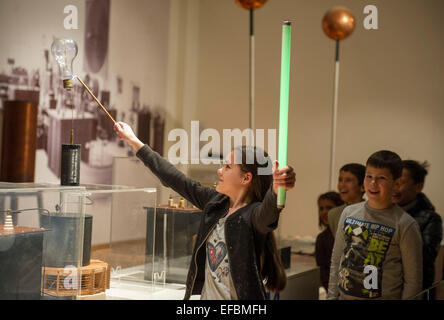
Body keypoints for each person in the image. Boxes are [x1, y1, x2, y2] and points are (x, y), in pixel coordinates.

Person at [113, 121, 296, 300]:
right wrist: (133, 140)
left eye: (227, 167)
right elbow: (173, 177)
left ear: (246, 178)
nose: (219, 171)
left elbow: (269, 212)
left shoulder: (253, 215)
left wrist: (277, 189)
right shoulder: (215, 203)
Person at [328, 150, 423, 300]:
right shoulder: (348, 213)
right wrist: (331, 297)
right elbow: (336, 259)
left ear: (396, 183)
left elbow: (413, 281)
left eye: (382, 178)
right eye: (369, 176)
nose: (373, 183)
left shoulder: (405, 224)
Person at [392, 160, 443, 293]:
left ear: (418, 187)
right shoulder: (381, 213)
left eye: (401, 183)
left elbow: (423, 258)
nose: (394, 187)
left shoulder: (431, 219)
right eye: (393, 181)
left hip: (414, 291)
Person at [315, 191, 344, 291]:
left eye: (329, 208)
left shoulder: (347, 233)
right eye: (321, 208)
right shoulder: (322, 239)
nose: (324, 212)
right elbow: (323, 272)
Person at [328, 163, 366, 237]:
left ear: (363, 186)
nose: (342, 185)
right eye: (340, 180)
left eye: (348, 180)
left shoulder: (371, 213)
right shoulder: (333, 214)